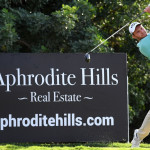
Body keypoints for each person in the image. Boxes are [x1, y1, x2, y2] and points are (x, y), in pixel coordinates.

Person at [129, 5, 150, 148]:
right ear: (134, 37)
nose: (141, 30)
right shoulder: (144, 44)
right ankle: (139, 135)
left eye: (141, 28)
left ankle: (139, 135)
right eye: (138, 31)